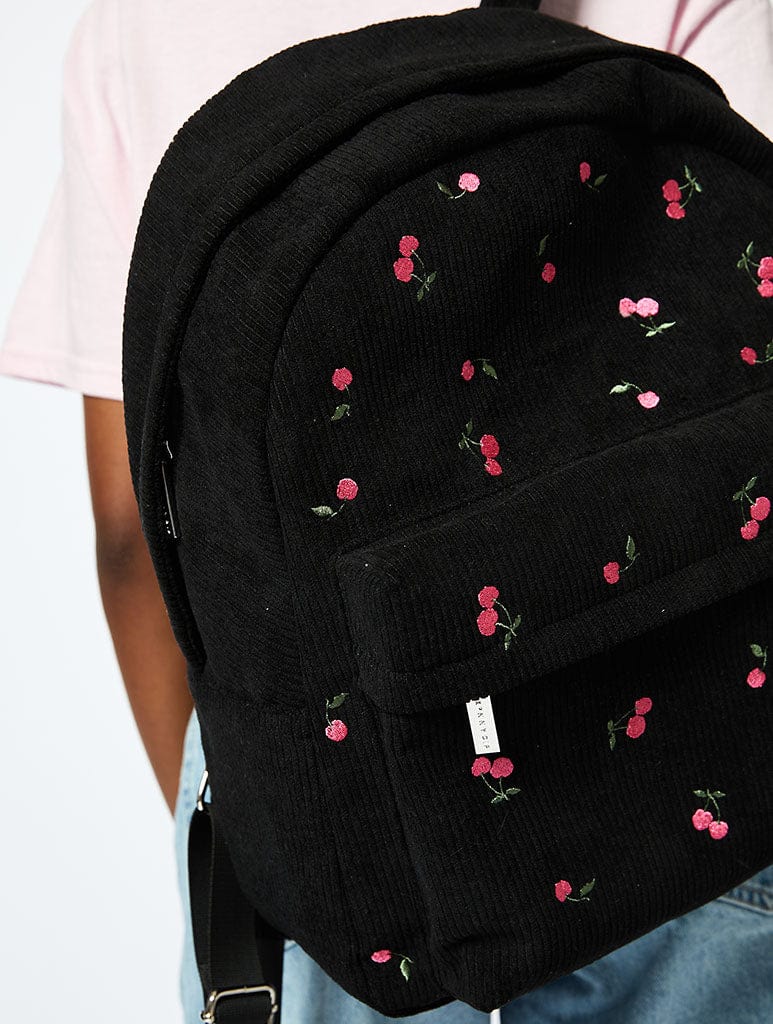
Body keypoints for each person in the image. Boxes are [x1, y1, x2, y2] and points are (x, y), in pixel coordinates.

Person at [2, 2, 771, 1022]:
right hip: (705, 767)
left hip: (353, 843)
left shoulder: (138, 27)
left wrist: (270, 823)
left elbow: (129, 532)